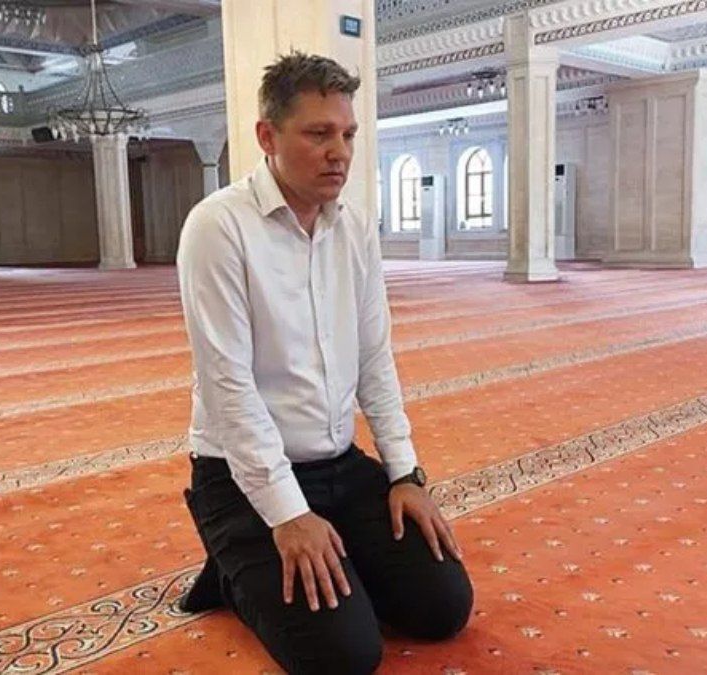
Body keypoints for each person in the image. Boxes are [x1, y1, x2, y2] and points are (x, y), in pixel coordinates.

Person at [175, 51, 473, 674]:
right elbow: (228, 388)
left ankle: (333, 554)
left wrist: (405, 475)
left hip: (339, 465)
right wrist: (287, 515)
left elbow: (374, 357)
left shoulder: (354, 227)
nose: (339, 153)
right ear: (267, 136)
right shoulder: (218, 227)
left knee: (443, 608)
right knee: (344, 657)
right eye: (318, 134)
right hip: (240, 477)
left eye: (348, 134)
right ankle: (231, 568)